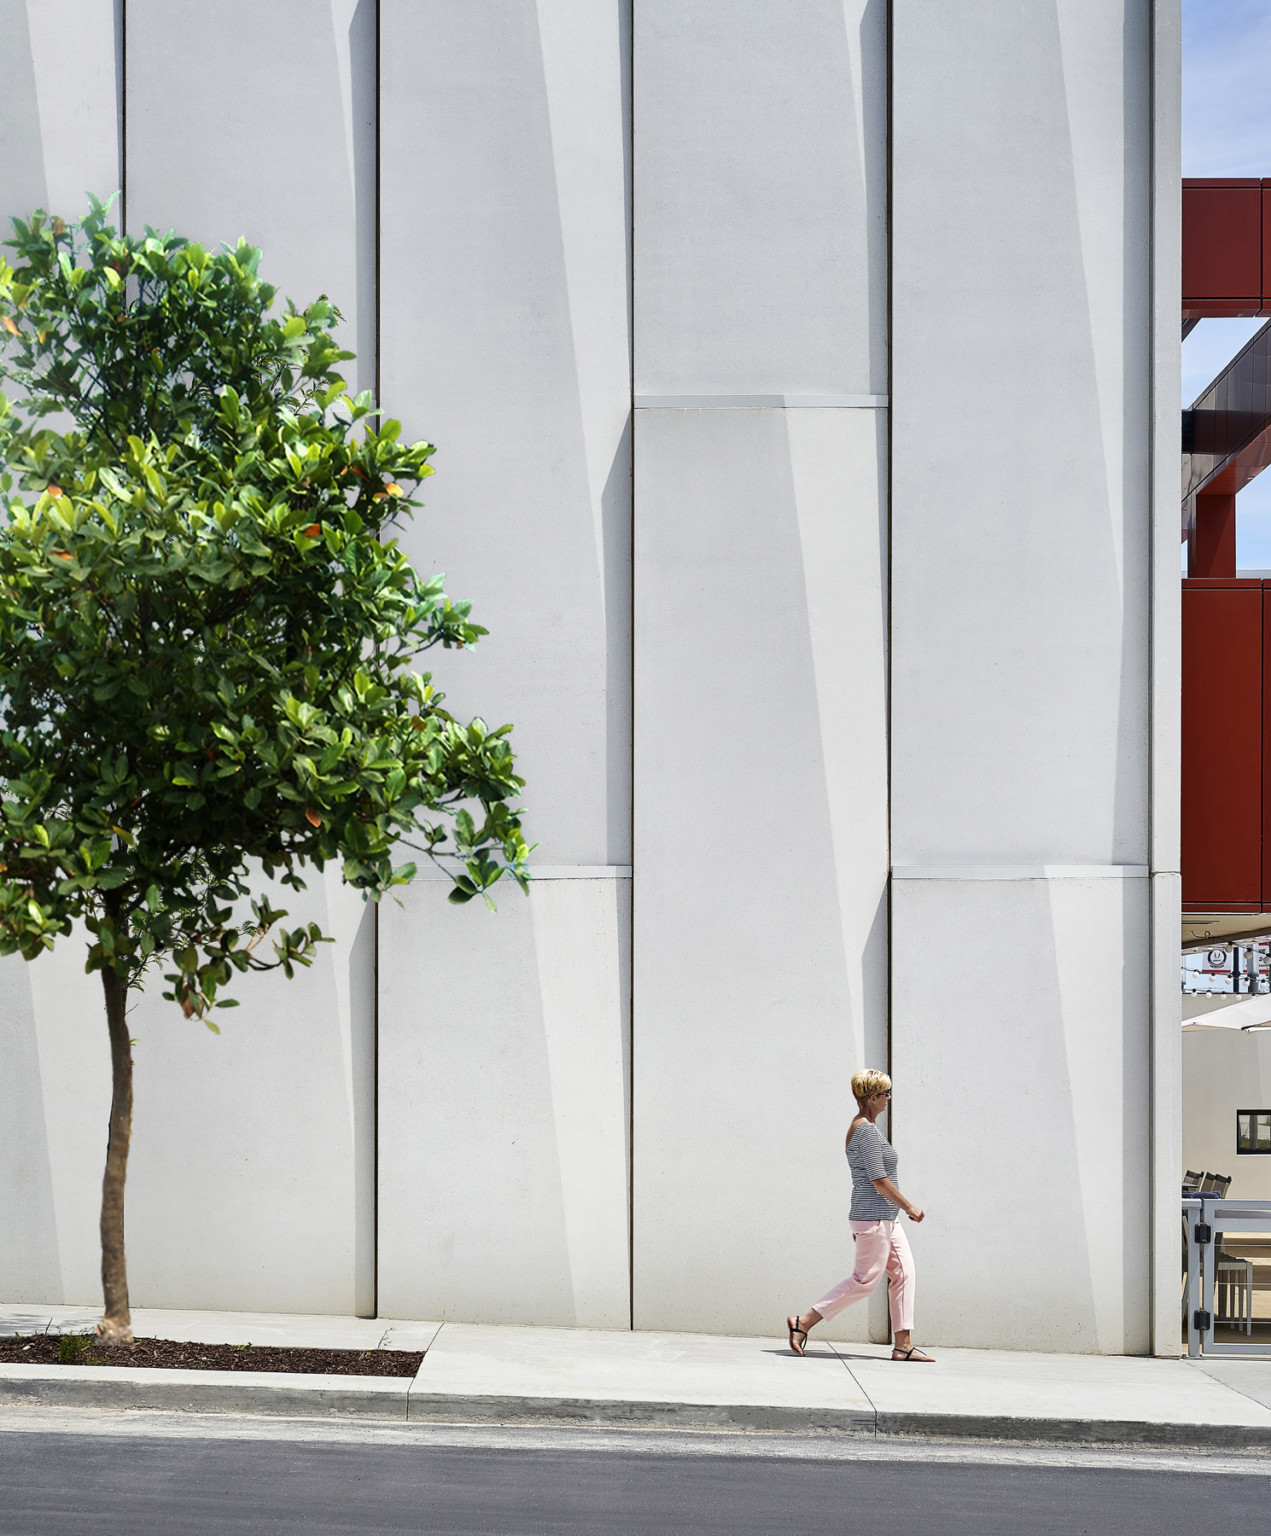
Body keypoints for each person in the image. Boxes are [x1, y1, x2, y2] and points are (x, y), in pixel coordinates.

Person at [786, 1068, 934, 1362]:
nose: (889, 1099)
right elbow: (878, 1179)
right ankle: (803, 1322)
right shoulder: (865, 1130)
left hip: (886, 1219)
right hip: (872, 1217)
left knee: (905, 1273)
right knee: (865, 1280)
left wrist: (897, 1212)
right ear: (873, 1097)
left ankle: (903, 1346)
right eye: (886, 1094)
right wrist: (909, 1206)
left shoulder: (870, 1128)